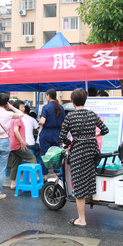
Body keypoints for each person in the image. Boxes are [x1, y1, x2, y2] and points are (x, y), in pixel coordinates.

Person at [60, 88, 109, 227]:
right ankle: (90, 197)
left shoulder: (70, 117)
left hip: (78, 152)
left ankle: (81, 219)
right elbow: (105, 130)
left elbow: (62, 137)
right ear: (85, 100)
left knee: (79, 185)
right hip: (92, 151)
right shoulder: (91, 114)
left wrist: (70, 142)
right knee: (89, 177)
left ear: (73, 101)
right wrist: (94, 135)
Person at [8, 101, 37, 190]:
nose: (23, 109)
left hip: (12, 144)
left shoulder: (11, 118)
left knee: (15, 163)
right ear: (17, 108)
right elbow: (16, 130)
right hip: (18, 144)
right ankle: (33, 179)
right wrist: (22, 142)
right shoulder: (18, 118)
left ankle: (13, 183)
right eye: (21, 107)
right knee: (32, 158)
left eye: (24, 107)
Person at [38, 89, 65, 158]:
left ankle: (45, 166)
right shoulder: (61, 108)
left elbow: (42, 121)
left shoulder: (46, 107)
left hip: (46, 133)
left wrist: (38, 122)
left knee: (45, 156)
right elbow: (63, 123)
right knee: (56, 156)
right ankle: (55, 166)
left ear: (48, 95)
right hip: (57, 133)